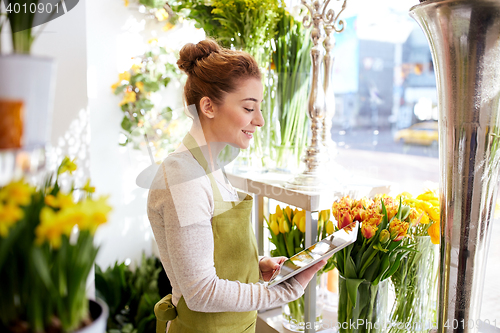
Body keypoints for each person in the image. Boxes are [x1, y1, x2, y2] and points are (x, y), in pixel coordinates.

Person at [147, 39, 326, 333]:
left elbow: (205, 252)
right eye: (248, 108)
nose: (260, 120)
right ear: (208, 106)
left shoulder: (210, 167)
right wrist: (283, 292)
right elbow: (201, 291)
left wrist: (254, 266)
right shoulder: (184, 177)